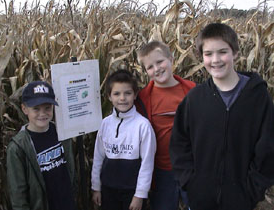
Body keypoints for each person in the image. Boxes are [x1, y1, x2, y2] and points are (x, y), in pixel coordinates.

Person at [170, 23, 274, 210]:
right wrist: (191, 184)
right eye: (208, 54)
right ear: (202, 57)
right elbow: (180, 144)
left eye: (222, 52)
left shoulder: (257, 97)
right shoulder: (195, 99)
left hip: (241, 200)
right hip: (201, 198)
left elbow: (268, 146)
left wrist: (252, 189)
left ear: (235, 53)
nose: (215, 60)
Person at [135, 41, 196, 210]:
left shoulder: (193, 92)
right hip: (161, 171)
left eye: (160, 62)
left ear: (171, 58)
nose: (157, 69)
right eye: (150, 67)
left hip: (190, 168)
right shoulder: (142, 99)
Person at [91, 69, 156, 210]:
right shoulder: (105, 124)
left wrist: (139, 195)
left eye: (127, 93)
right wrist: (96, 187)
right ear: (109, 96)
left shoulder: (143, 126)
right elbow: (98, 157)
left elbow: (147, 163)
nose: (122, 98)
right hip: (108, 189)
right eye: (116, 94)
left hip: (131, 191)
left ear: (135, 95)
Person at [6, 81, 77, 210]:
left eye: (47, 108)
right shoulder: (18, 147)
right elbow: (18, 195)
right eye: (36, 109)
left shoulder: (62, 133)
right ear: (24, 109)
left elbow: (70, 171)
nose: (42, 114)